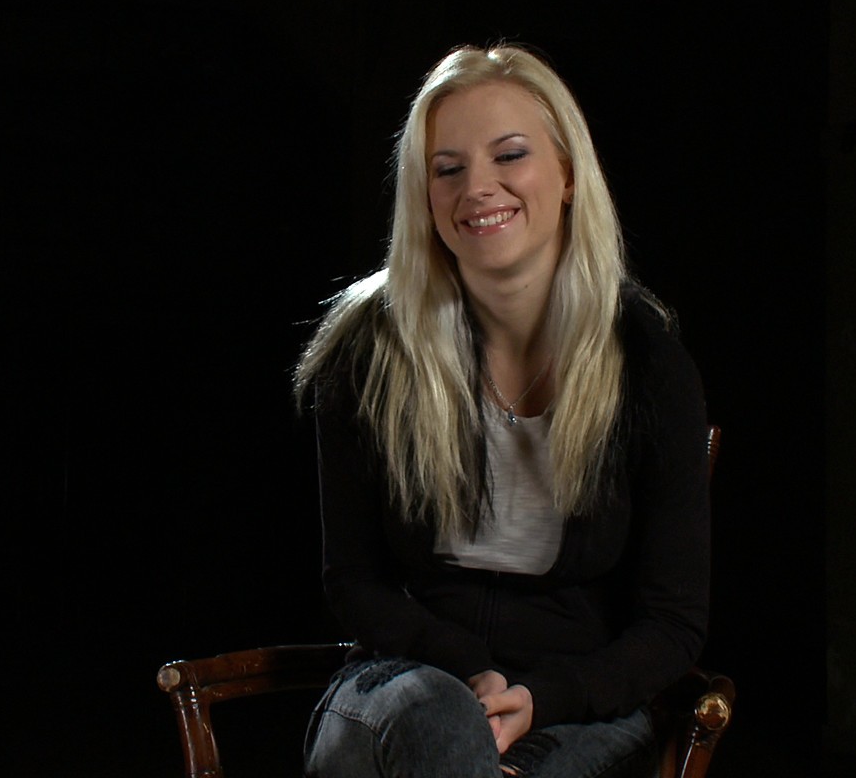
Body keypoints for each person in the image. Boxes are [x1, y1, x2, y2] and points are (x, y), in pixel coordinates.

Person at [293, 43, 710, 778]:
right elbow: (352, 581)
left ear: (569, 175)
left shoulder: (647, 363)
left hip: (574, 701)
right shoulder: (367, 350)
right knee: (437, 721)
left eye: (509, 155)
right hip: (403, 684)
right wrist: (471, 674)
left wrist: (542, 698)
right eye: (447, 169)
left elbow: (672, 624)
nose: (477, 188)